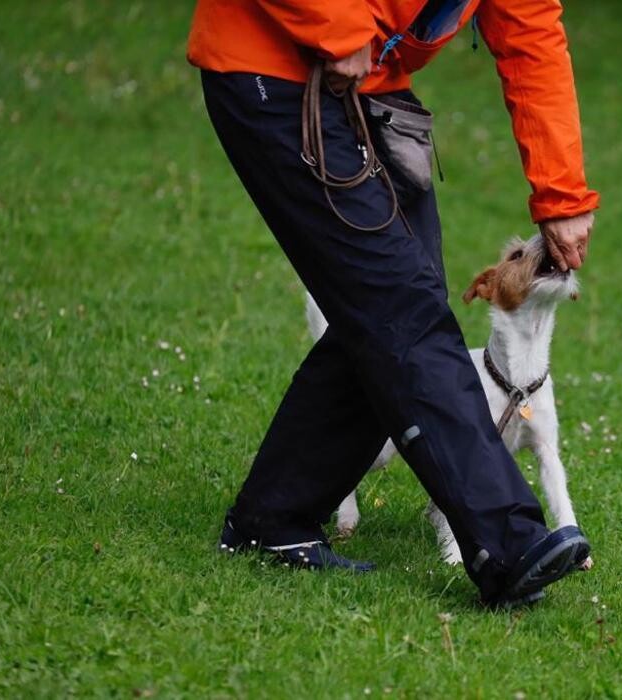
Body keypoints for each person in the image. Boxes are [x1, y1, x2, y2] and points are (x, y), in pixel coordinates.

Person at [187, 0, 599, 608]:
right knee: (403, 310)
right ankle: (508, 543)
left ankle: (272, 520)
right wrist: (340, 25)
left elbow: (530, 30)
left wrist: (561, 192)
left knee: (392, 307)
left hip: (367, 85)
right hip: (272, 69)